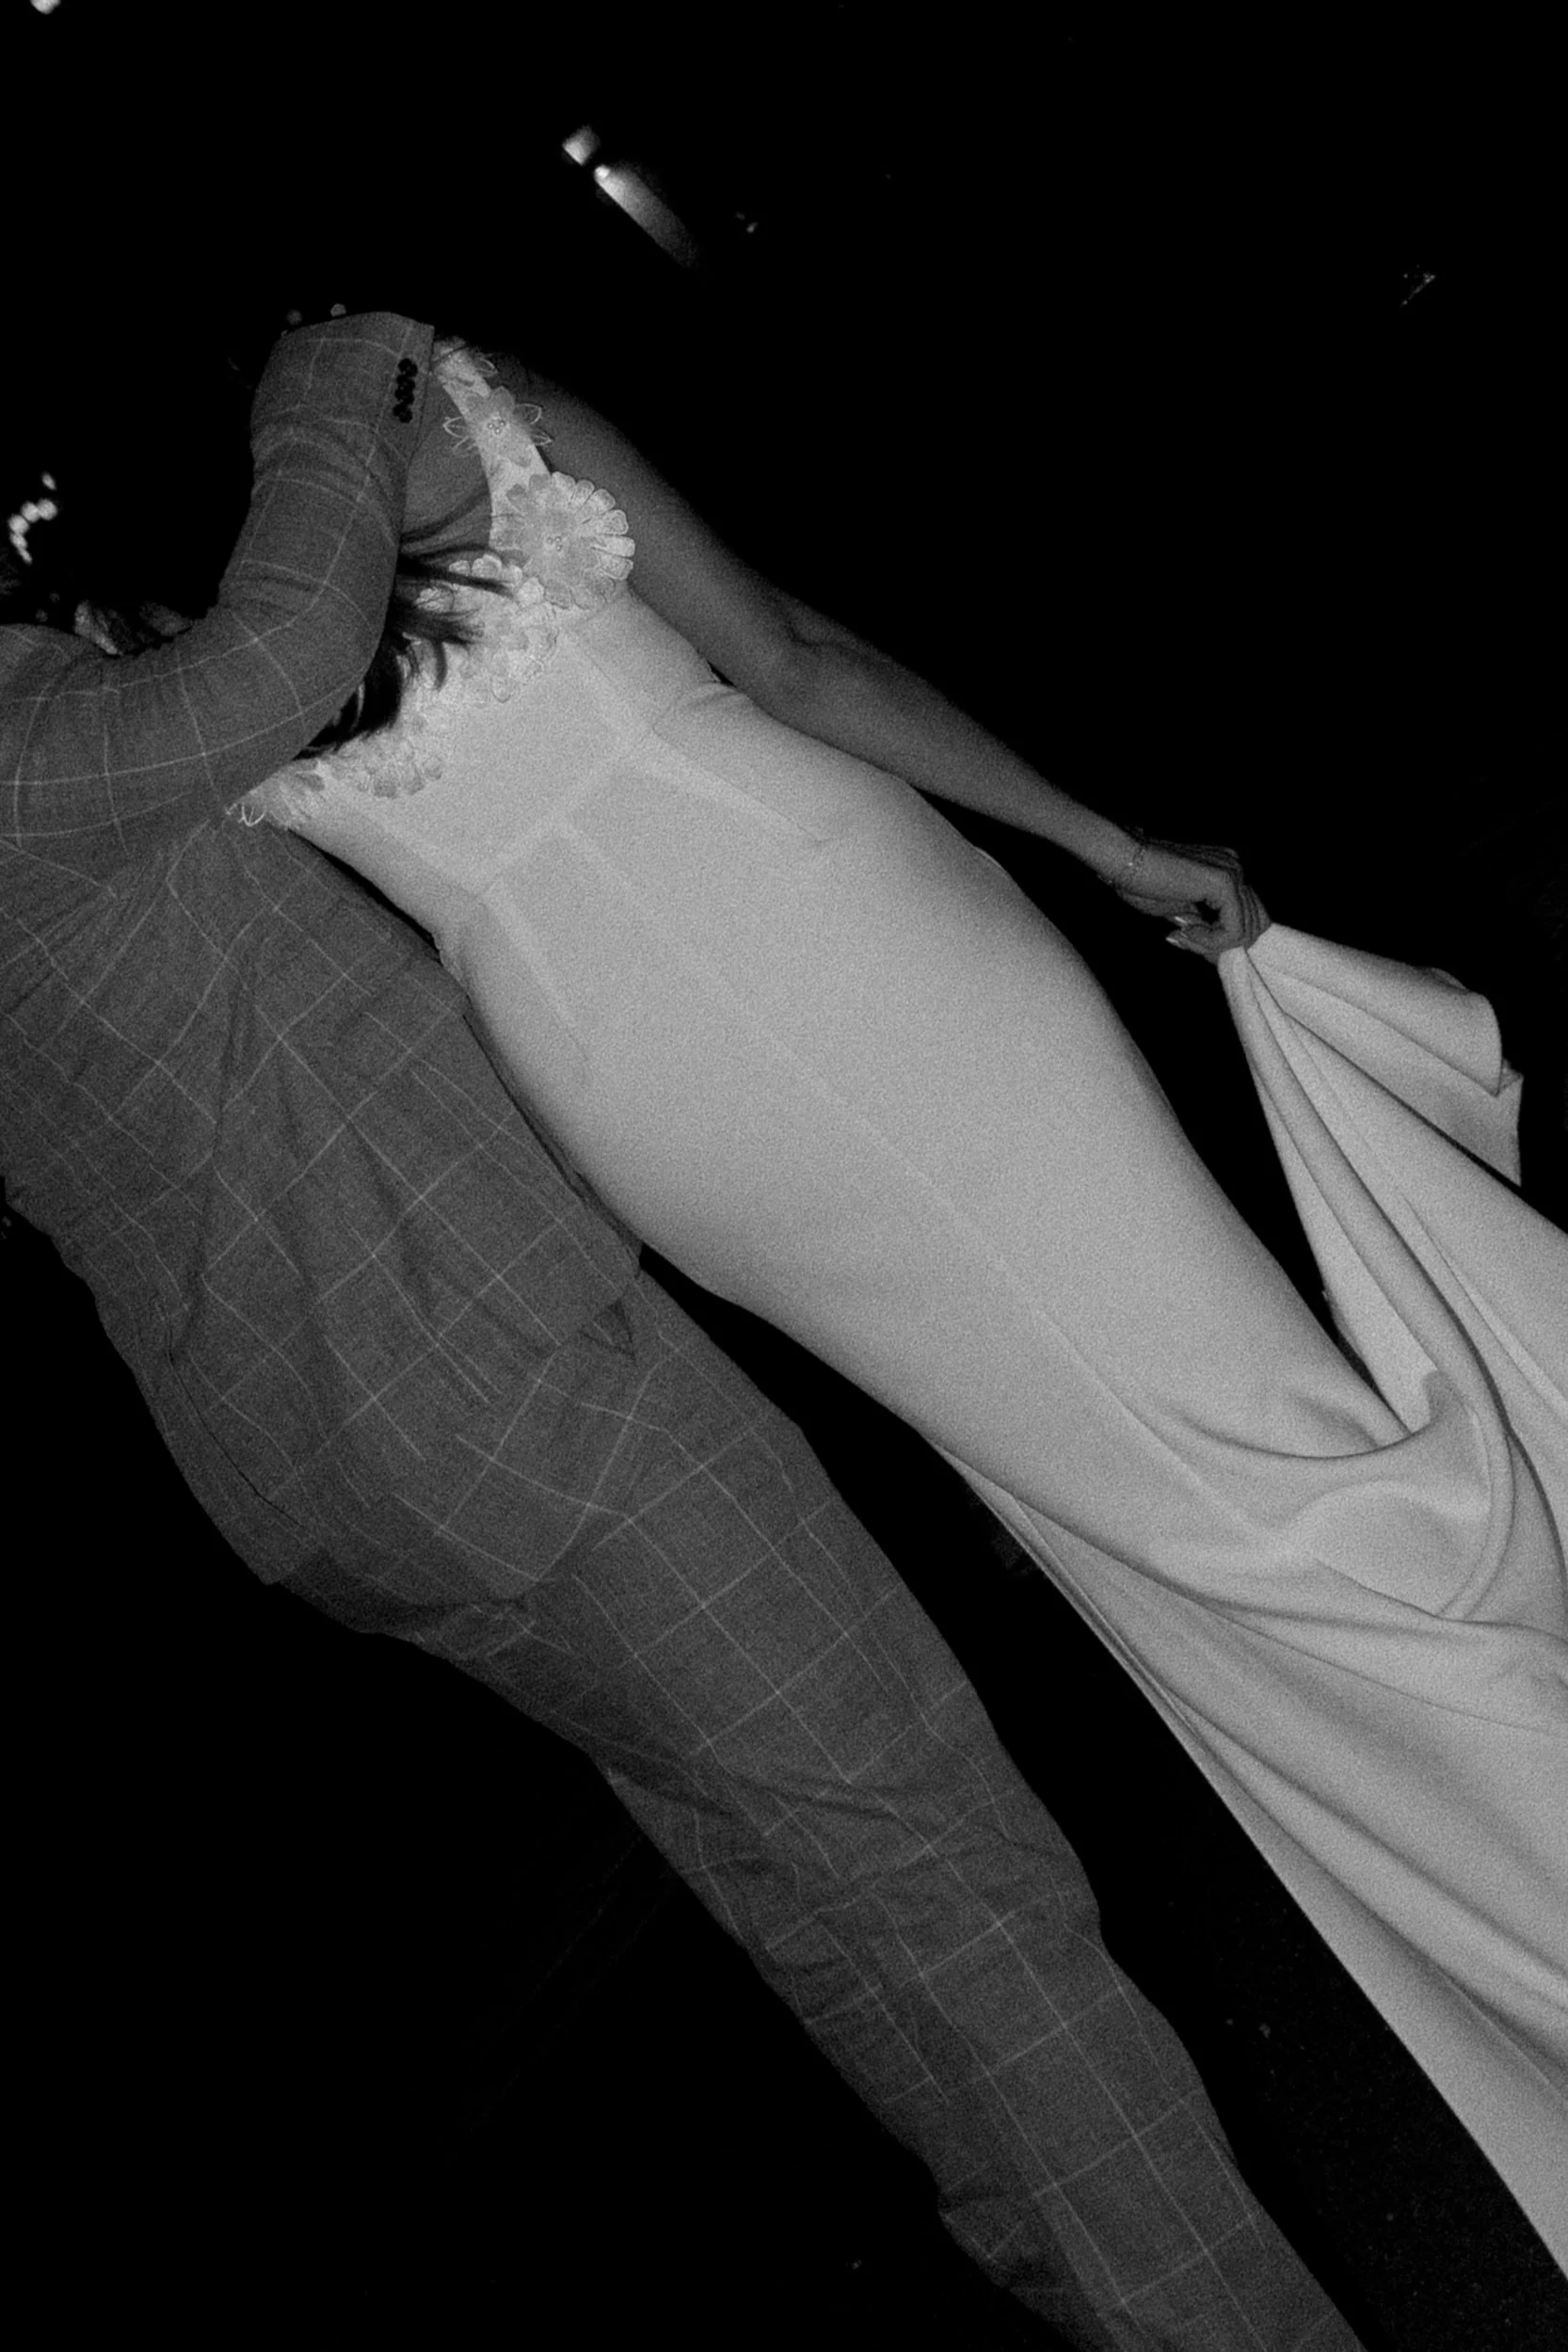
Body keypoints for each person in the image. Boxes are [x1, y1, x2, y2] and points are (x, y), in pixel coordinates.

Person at [0, 306, 1373, 2352]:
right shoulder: (25, 747)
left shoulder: (55, 704)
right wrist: (343, 375)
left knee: (807, 1889)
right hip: (494, 1393)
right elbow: (287, 647)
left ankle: (1075, 2271)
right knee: (939, 1868)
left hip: (328, 1466)